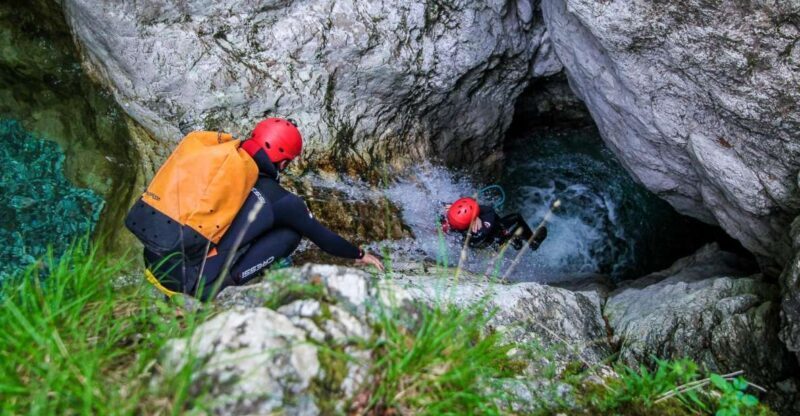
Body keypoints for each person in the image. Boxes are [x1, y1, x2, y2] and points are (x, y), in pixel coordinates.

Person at [144, 118, 385, 300]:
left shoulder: (218, 167)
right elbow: (323, 238)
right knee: (290, 233)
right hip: (191, 287)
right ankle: (221, 290)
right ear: (283, 162)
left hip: (153, 262)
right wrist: (360, 255)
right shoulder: (279, 199)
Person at [440, 196, 547, 251]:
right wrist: (476, 216)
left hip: (480, 242)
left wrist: (453, 206)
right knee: (516, 217)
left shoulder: (451, 221)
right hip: (493, 240)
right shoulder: (484, 225)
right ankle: (533, 243)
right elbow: (488, 210)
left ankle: (515, 240)